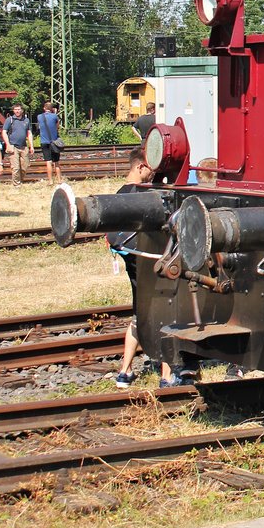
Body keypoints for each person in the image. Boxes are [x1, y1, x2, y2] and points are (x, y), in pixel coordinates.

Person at [111, 149, 180, 388]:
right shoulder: (147, 195)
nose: (153, 173)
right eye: (151, 168)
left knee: (138, 315)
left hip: (131, 261)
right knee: (167, 314)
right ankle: (167, 375)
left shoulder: (120, 193)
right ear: (140, 167)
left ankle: (125, 371)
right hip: (151, 261)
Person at [1, 104, 34, 186]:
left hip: (24, 146)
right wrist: (7, 144)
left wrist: (31, 146)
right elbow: (4, 132)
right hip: (13, 146)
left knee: (25, 166)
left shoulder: (26, 120)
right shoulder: (10, 120)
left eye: (19, 109)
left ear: (22, 110)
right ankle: (17, 184)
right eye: (15, 109)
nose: (17, 111)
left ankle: (20, 180)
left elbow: (29, 133)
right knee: (15, 167)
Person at [37, 102, 63, 185]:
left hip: (44, 142)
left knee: (48, 161)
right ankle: (59, 180)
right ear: (52, 109)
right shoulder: (55, 116)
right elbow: (57, 127)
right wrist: (54, 113)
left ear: (44, 108)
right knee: (56, 162)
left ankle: (50, 181)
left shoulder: (39, 116)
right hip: (54, 142)